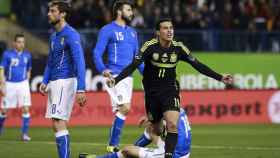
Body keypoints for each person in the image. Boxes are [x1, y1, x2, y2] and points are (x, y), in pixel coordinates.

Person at [107, 18, 233, 158]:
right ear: (158, 32)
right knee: (157, 129)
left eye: (171, 28)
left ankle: (168, 155)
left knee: (172, 124)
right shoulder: (149, 46)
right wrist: (116, 80)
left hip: (170, 91)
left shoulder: (179, 48)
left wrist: (220, 77)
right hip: (152, 94)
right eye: (165, 28)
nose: (169, 31)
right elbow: (133, 65)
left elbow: (198, 65)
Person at [92, 0, 144, 152]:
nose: (131, 13)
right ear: (120, 12)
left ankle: (112, 144)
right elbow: (97, 52)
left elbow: (137, 58)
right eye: (128, 10)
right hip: (114, 75)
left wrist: (146, 74)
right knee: (125, 108)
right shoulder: (107, 30)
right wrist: (103, 69)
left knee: (124, 110)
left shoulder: (133, 32)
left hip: (128, 77)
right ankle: (112, 145)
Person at [39, 1, 86, 158]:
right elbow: (50, 62)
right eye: (49, 11)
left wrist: (81, 88)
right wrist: (45, 81)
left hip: (65, 80)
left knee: (58, 122)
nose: (48, 13)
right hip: (55, 82)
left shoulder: (71, 34)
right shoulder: (54, 36)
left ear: (63, 14)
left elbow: (80, 61)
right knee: (58, 123)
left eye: (53, 11)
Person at [79, 108, 192, 158]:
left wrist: (152, 120)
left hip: (172, 154)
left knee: (127, 150)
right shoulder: (178, 110)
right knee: (150, 129)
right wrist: (150, 119)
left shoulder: (170, 116)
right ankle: (134, 151)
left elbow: (161, 127)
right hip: (179, 150)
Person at [0, 34, 32, 141]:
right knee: (4, 110)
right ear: (14, 43)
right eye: (19, 42)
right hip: (9, 84)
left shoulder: (28, 55)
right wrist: (2, 84)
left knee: (26, 108)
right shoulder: (7, 54)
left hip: (23, 84)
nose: (21, 44)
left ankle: (24, 134)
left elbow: (28, 69)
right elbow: (1, 69)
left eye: (23, 42)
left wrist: (27, 81)